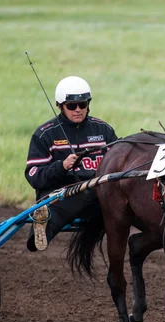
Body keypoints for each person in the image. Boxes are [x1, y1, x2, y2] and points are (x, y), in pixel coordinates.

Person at [25, 76, 117, 251]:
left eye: (83, 104)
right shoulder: (45, 135)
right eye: (72, 106)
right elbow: (34, 175)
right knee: (70, 197)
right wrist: (61, 166)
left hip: (95, 196)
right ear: (59, 105)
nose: (78, 110)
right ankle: (41, 228)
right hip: (59, 194)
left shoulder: (104, 131)